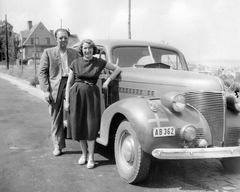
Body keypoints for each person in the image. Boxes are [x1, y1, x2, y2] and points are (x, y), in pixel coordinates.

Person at [65, 39, 122, 168]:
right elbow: (69, 83)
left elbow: (117, 69)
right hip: (77, 96)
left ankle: (91, 157)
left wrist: (108, 81)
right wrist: (67, 101)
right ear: (82, 50)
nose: (87, 50)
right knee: (80, 126)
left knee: (90, 127)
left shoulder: (99, 62)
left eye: (90, 48)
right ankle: (84, 155)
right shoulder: (75, 63)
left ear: (93, 50)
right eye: (85, 48)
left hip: (92, 97)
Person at [38, 28, 79, 156]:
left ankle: (83, 142)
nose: (63, 40)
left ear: (68, 39)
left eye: (65, 38)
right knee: (57, 117)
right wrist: (46, 90)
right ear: (56, 39)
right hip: (56, 85)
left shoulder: (74, 53)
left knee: (77, 112)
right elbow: (42, 72)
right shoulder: (48, 52)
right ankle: (58, 145)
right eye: (60, 38)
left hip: (72, 83)